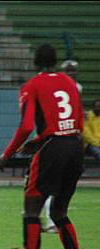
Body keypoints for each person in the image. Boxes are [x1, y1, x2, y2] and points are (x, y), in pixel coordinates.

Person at [0, 44, 89, 249]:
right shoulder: (70, 83)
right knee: (60, 211)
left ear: (35, 62)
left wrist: (8, 153)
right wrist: (41, 140)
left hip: (52, 150)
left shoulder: (32, 86)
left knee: (31, 211)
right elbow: (77, 122)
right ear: (56, 62)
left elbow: (27, 126)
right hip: (75, 147)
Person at [41, 59, 83, 233]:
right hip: (57, 139)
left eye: (73, 71)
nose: (71, 73)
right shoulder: (72, 87)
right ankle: (47, 220)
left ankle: (40, 217)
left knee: (51, 183)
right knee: (51, 183)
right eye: (69, 70)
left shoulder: (70, 86)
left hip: (63, 139)